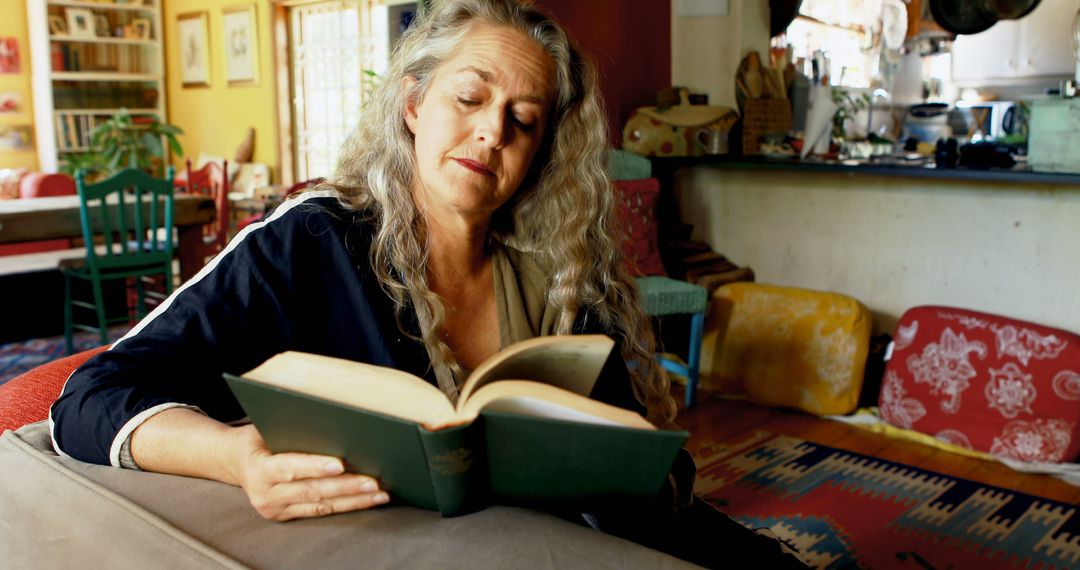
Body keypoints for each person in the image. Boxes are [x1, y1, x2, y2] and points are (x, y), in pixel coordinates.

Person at [50, 0, 804, 566]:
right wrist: (237, 457)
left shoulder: (564, 268)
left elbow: (649, 469)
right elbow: (86, 398)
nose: (491, 132)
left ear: (541, 150)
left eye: (524, 118)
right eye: (468, 99)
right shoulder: (310, 242)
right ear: (413, 105)